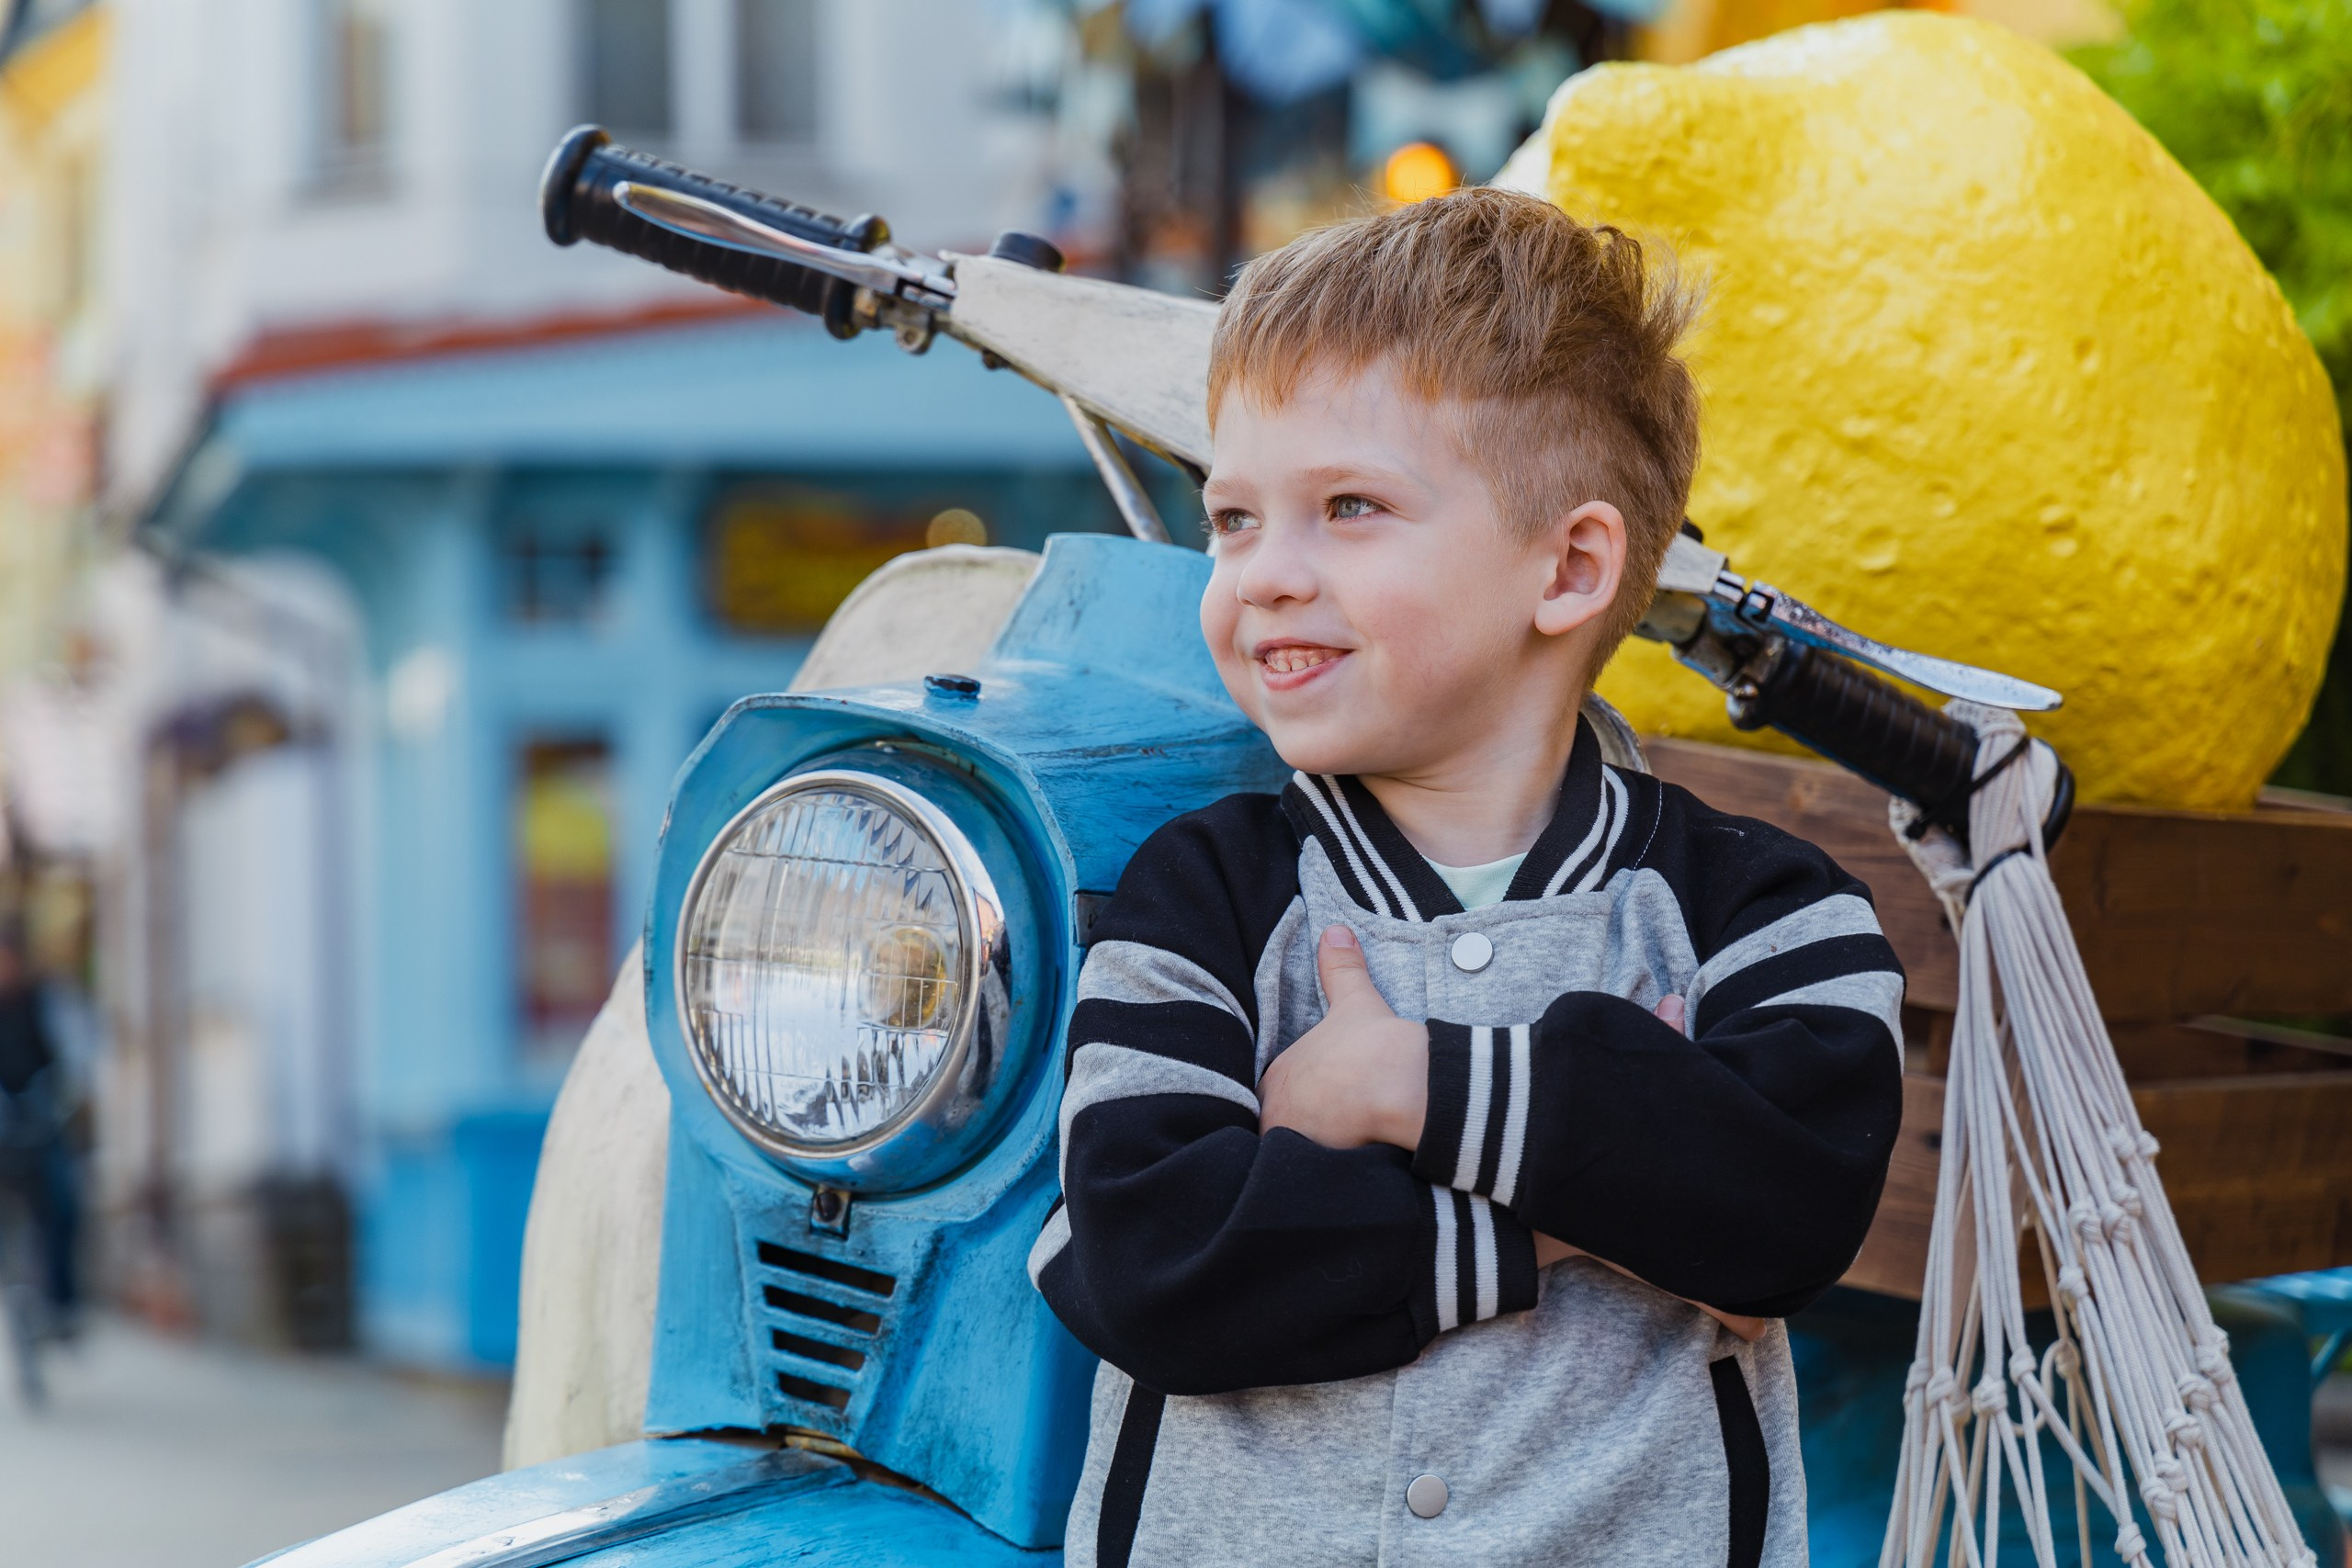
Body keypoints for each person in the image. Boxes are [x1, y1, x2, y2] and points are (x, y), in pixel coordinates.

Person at [1026, 188, 1906, 1568]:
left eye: (1348, 508)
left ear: (1567, 567)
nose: (1263, 575)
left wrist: (1410, 1089)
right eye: (1235, 517)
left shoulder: (1765, 913)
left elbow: (1783, 1210)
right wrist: (1572, 1211)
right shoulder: (1198, 901)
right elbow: (1147, 1266)